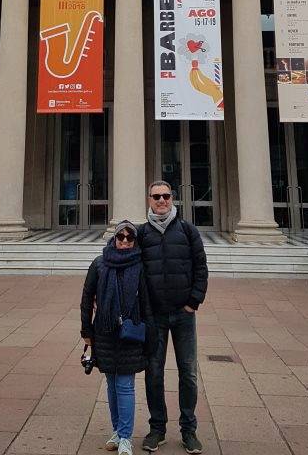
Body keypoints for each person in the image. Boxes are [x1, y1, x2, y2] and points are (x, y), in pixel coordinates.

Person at [137, 181, 208, 455]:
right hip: (154, 316)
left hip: (183, 314)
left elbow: (201, 266)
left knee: (188, 373)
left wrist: (194, 301)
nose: (162, 200)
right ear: (149, 199)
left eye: (166, 196)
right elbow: (129, 266)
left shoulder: (187, 230)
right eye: (157, 196)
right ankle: (157, 429)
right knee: (153, 372)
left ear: (172, 198)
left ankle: (189, 431)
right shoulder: (142, 233)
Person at [81, 221, 156, 455]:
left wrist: (150, 335)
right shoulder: (100, 264)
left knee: (124, 385)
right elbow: (86, 299)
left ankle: (125, 437)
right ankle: (117, 431)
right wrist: (86, 333)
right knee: (111, 385)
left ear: (135, 240)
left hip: (129, 334)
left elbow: (146, 303)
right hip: (104, 333)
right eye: (120, 237)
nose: (124, 241)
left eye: (129, 237)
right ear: (114, 239)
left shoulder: (140, 266)